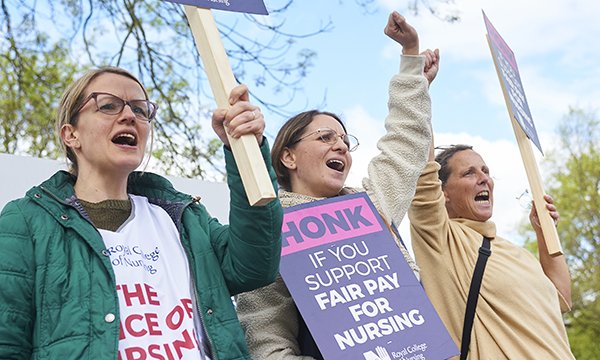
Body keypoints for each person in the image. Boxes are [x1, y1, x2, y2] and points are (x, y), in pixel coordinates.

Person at [0, 66, 283, 360]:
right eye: (108, 105)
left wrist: (245, 150)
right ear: (71, 134)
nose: (129, 116)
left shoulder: (183, 217)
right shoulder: (25, 221)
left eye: (140, 109)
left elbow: (256, 264)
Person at [236, 12, 438, 359]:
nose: (341, 146)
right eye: (325, 137)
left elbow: (404, 143)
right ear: (289, 157)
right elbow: (264, 334)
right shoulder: (272, 226)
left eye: (345, 140)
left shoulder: (371, 207)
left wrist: (410, 61)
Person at [408, 142, 574, 359]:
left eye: (485, 171)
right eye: (469, 173)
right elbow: (423, 177)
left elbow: (561, 298)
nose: (484, 178)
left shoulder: (517, 252)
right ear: (442, 192)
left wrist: (544, 233)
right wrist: (423, 108)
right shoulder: (443, 241)